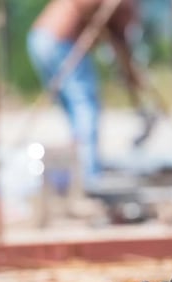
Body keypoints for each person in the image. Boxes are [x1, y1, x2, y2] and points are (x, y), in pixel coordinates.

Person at [27, 0, 138, 193]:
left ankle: (79, 170)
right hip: (59, 40)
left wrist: (131, 79)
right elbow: (83, 5)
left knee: (76, 113)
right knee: (86, 105)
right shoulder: (121, 6)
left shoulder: (118, 10)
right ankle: (89, 176)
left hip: (41, 39)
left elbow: (121, 44)